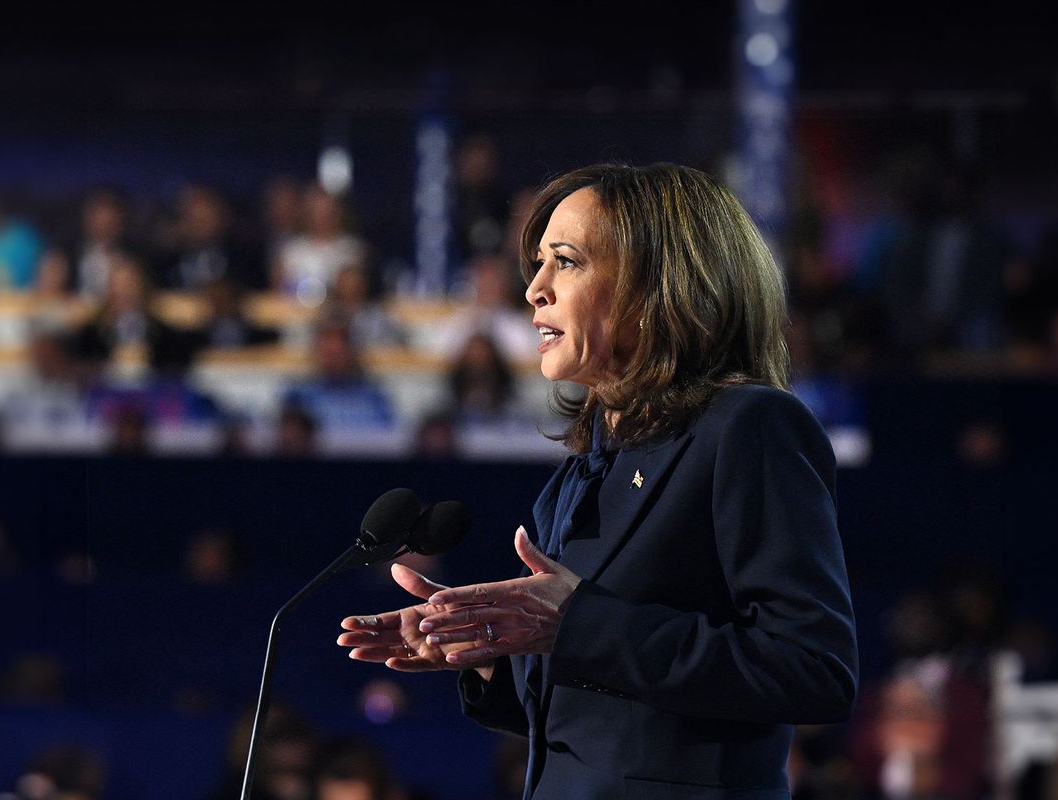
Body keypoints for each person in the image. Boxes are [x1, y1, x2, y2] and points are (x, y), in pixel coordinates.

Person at [337, 163, 859, 799]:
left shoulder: (748, 427)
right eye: (536, 264)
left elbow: (813, 670)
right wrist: (491, 646)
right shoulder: (581, 468)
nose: (534, 290)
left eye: (566, 261)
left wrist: (575, 624)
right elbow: (599, 714)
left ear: (656, 285)